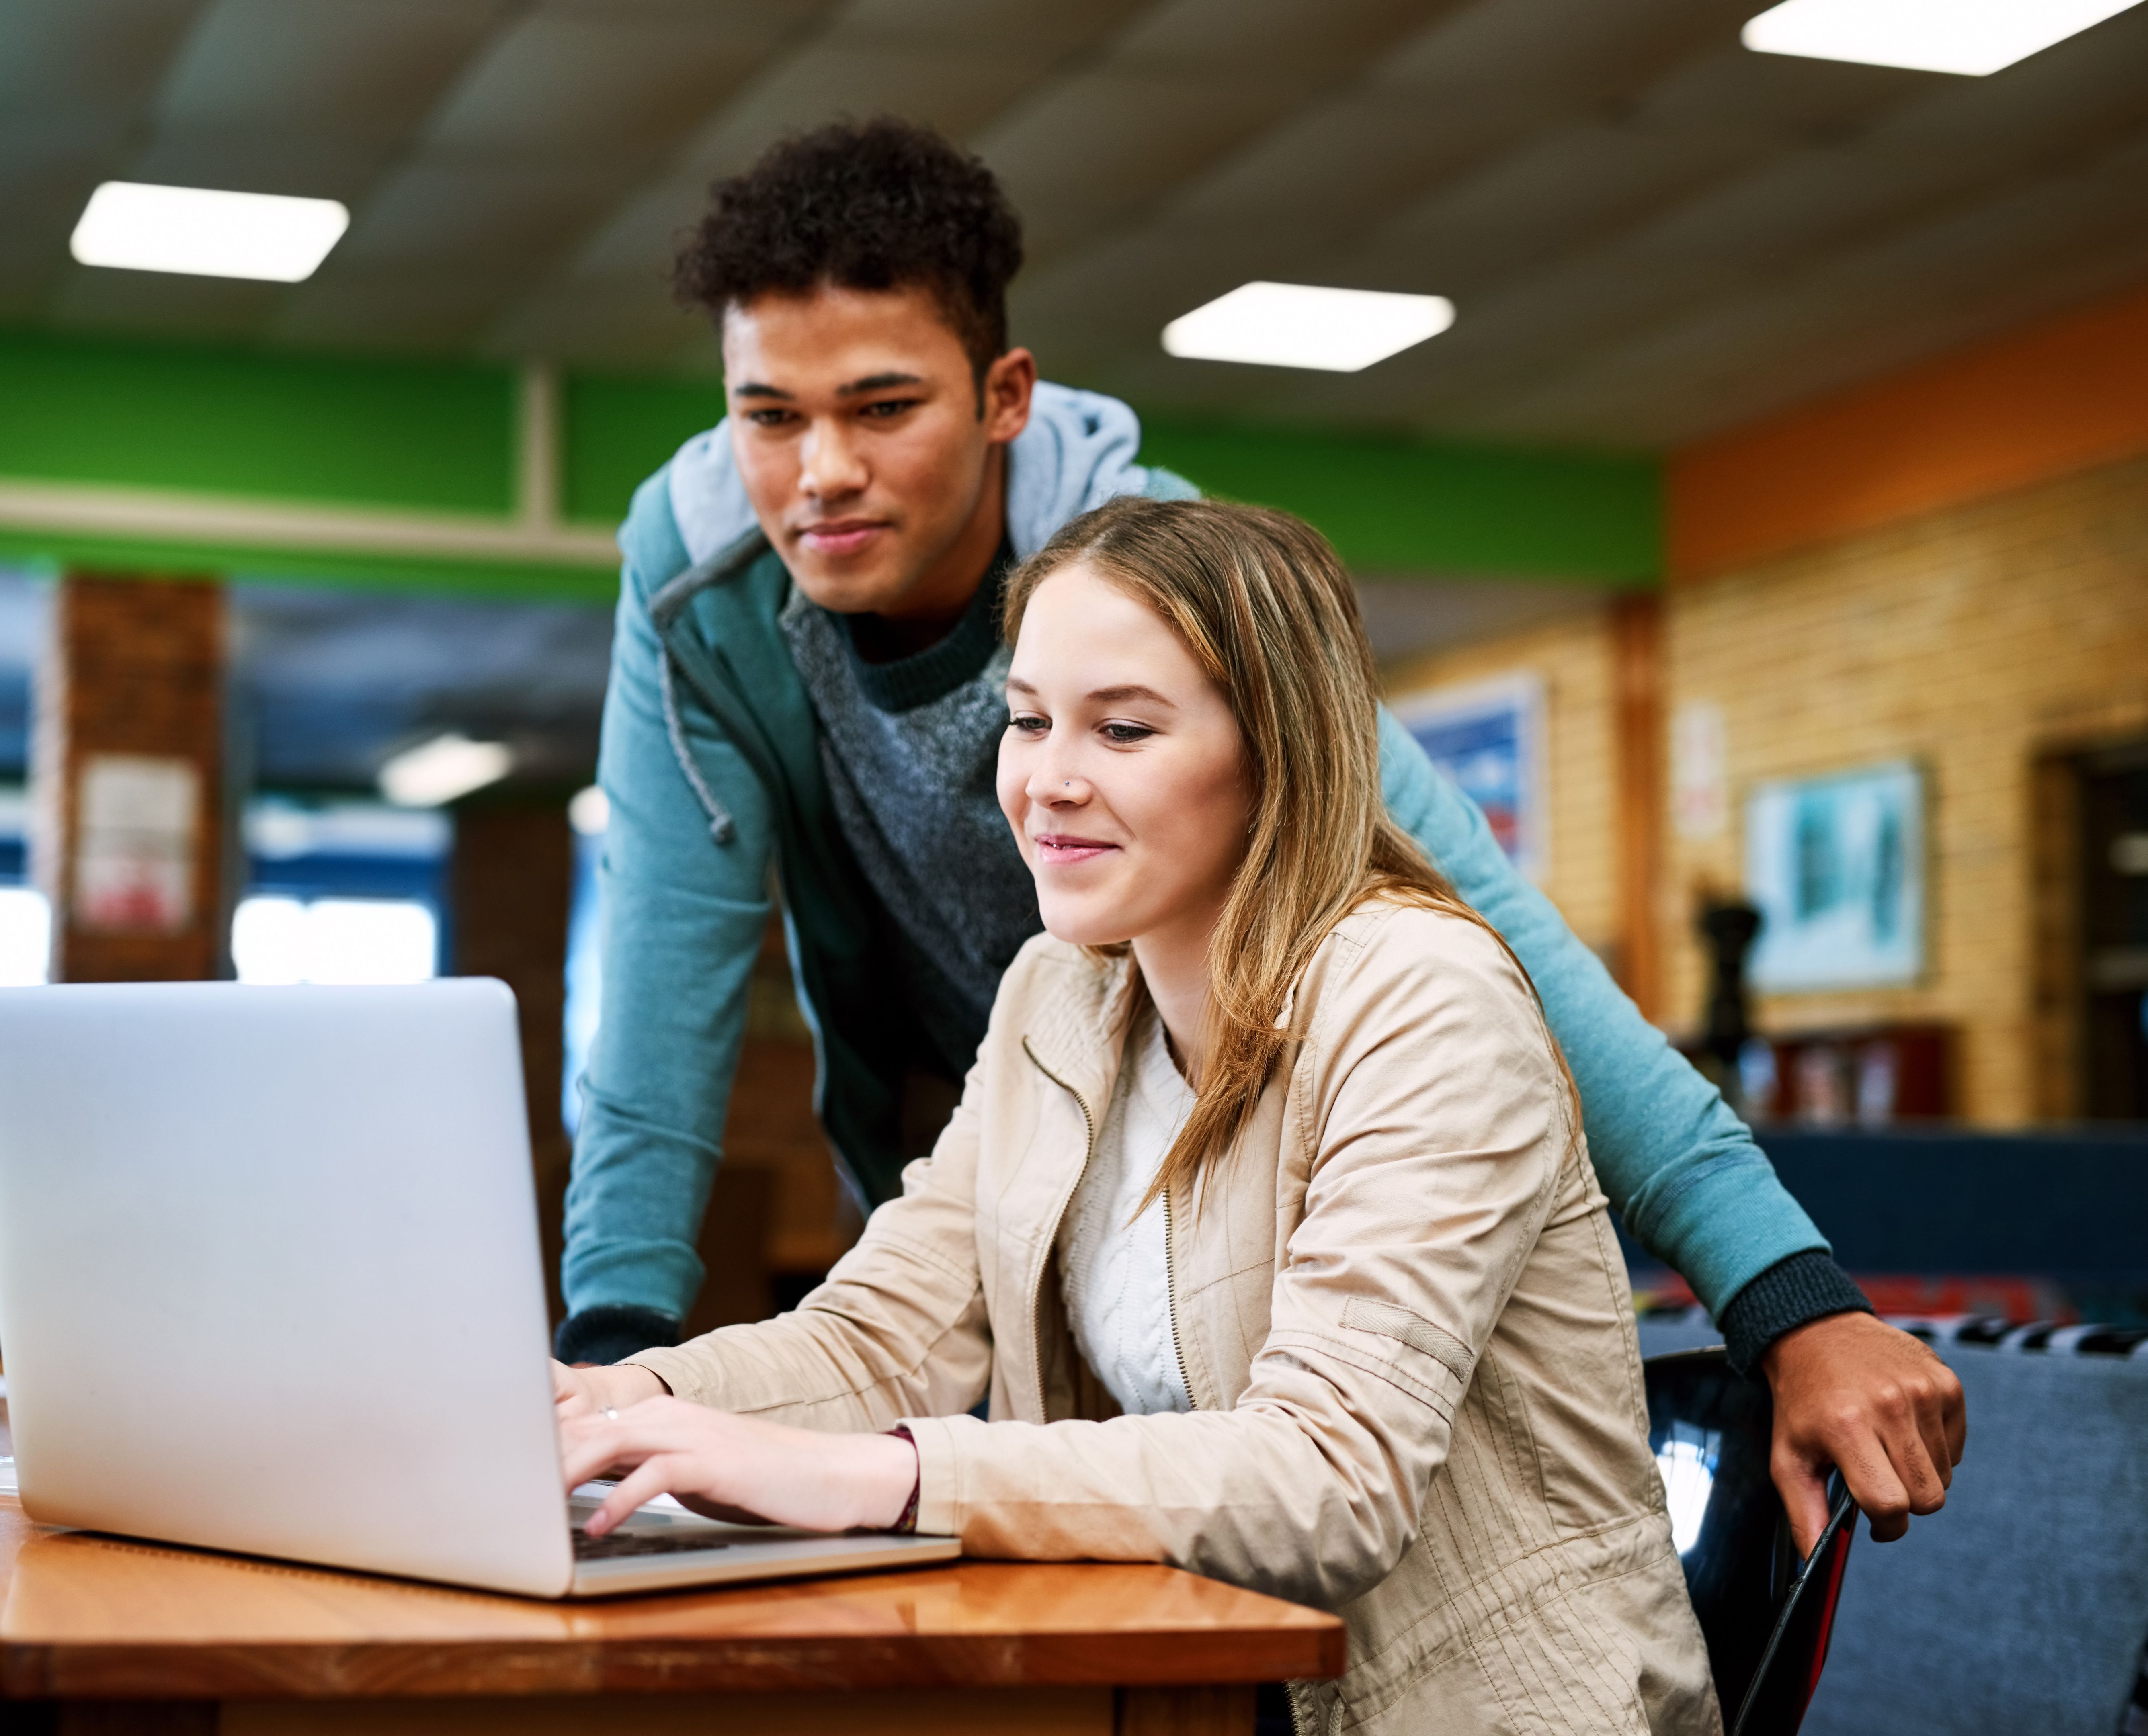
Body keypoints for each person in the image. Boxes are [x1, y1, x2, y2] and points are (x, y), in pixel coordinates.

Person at [562, 117, 1961, 1554]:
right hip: (1031, 1111)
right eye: (768, 418)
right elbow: (666, 975)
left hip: (1279, 1127)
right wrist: (604, 1375)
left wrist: (1788, 1297)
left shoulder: (1190, 606)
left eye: (880, 408)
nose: (820, 473)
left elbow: (1501, 941)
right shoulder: (1030, 986)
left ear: (1002, 398)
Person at [558, 497, 1721, 1735]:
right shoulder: (1058, 994)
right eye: (1027, 721)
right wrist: (613, 1406)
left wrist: (884, 1475)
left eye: (1121, 729)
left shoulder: (1421, 998)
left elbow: (1331, 1478)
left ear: (1275, 752)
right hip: (1185, 1684)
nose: (1046, 782)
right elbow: (884, 1338)